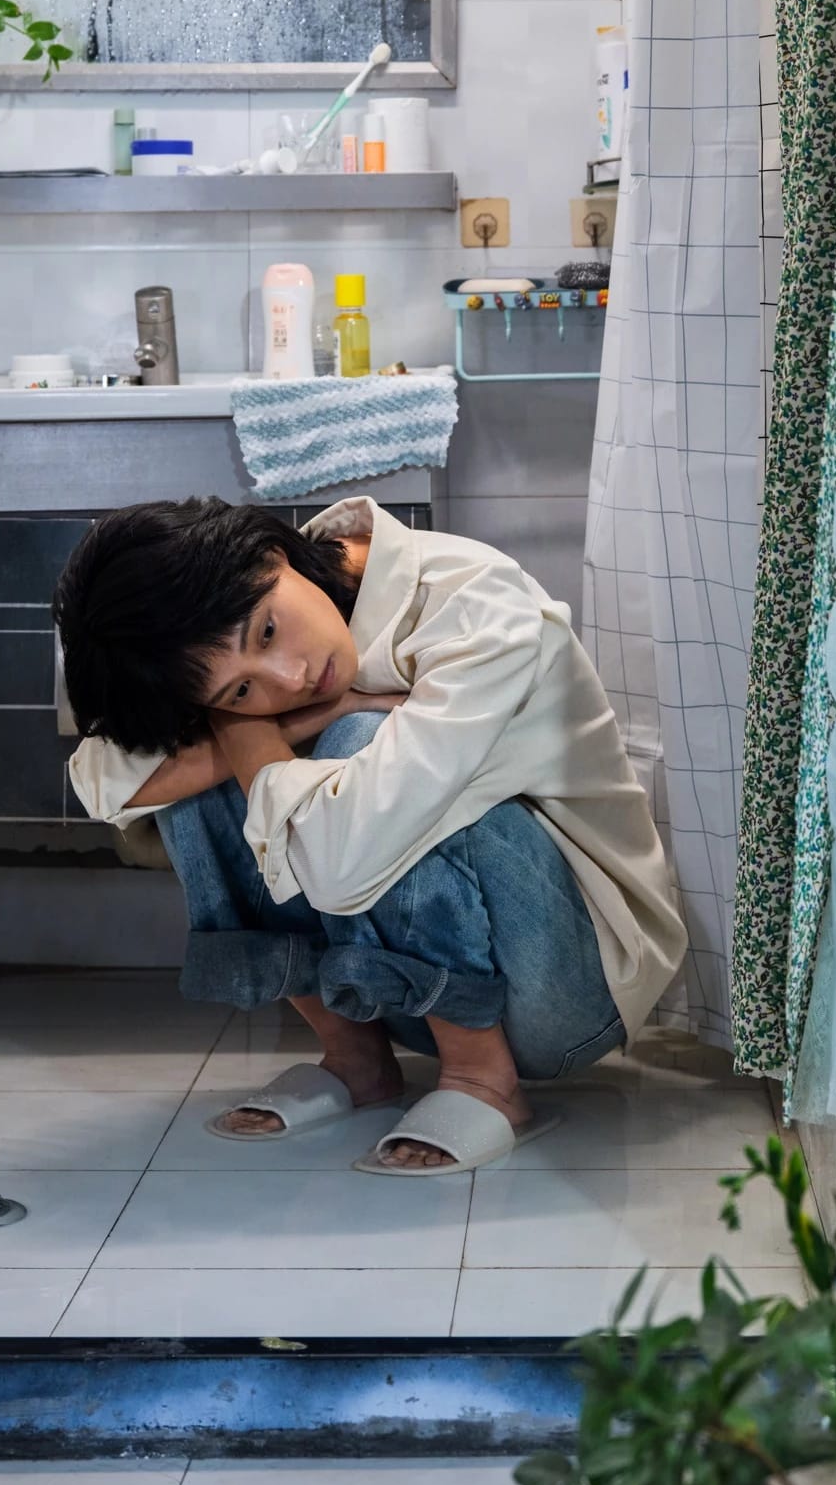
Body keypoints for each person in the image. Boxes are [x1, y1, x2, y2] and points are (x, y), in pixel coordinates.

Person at [56, 495, 686, 1174]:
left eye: (266, 633)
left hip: (570, 987)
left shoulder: (474, 602)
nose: (289, 677)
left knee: (354, 745)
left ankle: (485, 1081)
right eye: (240, 689)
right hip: (399, 993)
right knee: (205, 780)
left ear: (271, 555)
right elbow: (101, 779)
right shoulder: (272, 597)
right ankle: (355, 1058)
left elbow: (342, 863)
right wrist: (265, 723)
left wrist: (262, 723)